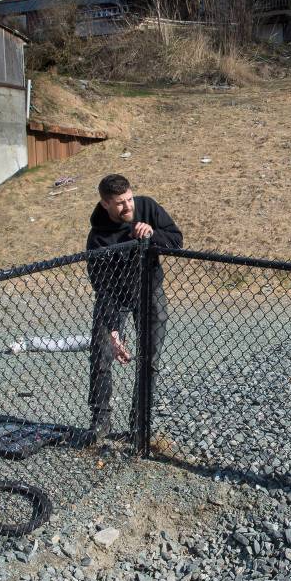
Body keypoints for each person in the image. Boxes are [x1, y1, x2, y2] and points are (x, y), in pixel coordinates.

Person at [86, 174, 183, 444]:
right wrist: (114, 331)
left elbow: (177, 239)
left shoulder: (147, 207)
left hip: (149, 291)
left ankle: (139, 423)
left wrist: (152, 234)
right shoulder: (98, 238)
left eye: (129, 199)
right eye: (120, 203)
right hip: (114, 297)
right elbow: (102, 286)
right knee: (101, 354)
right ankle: (100, 420)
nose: (128, 207)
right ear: (105, 204)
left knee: (149, 359)